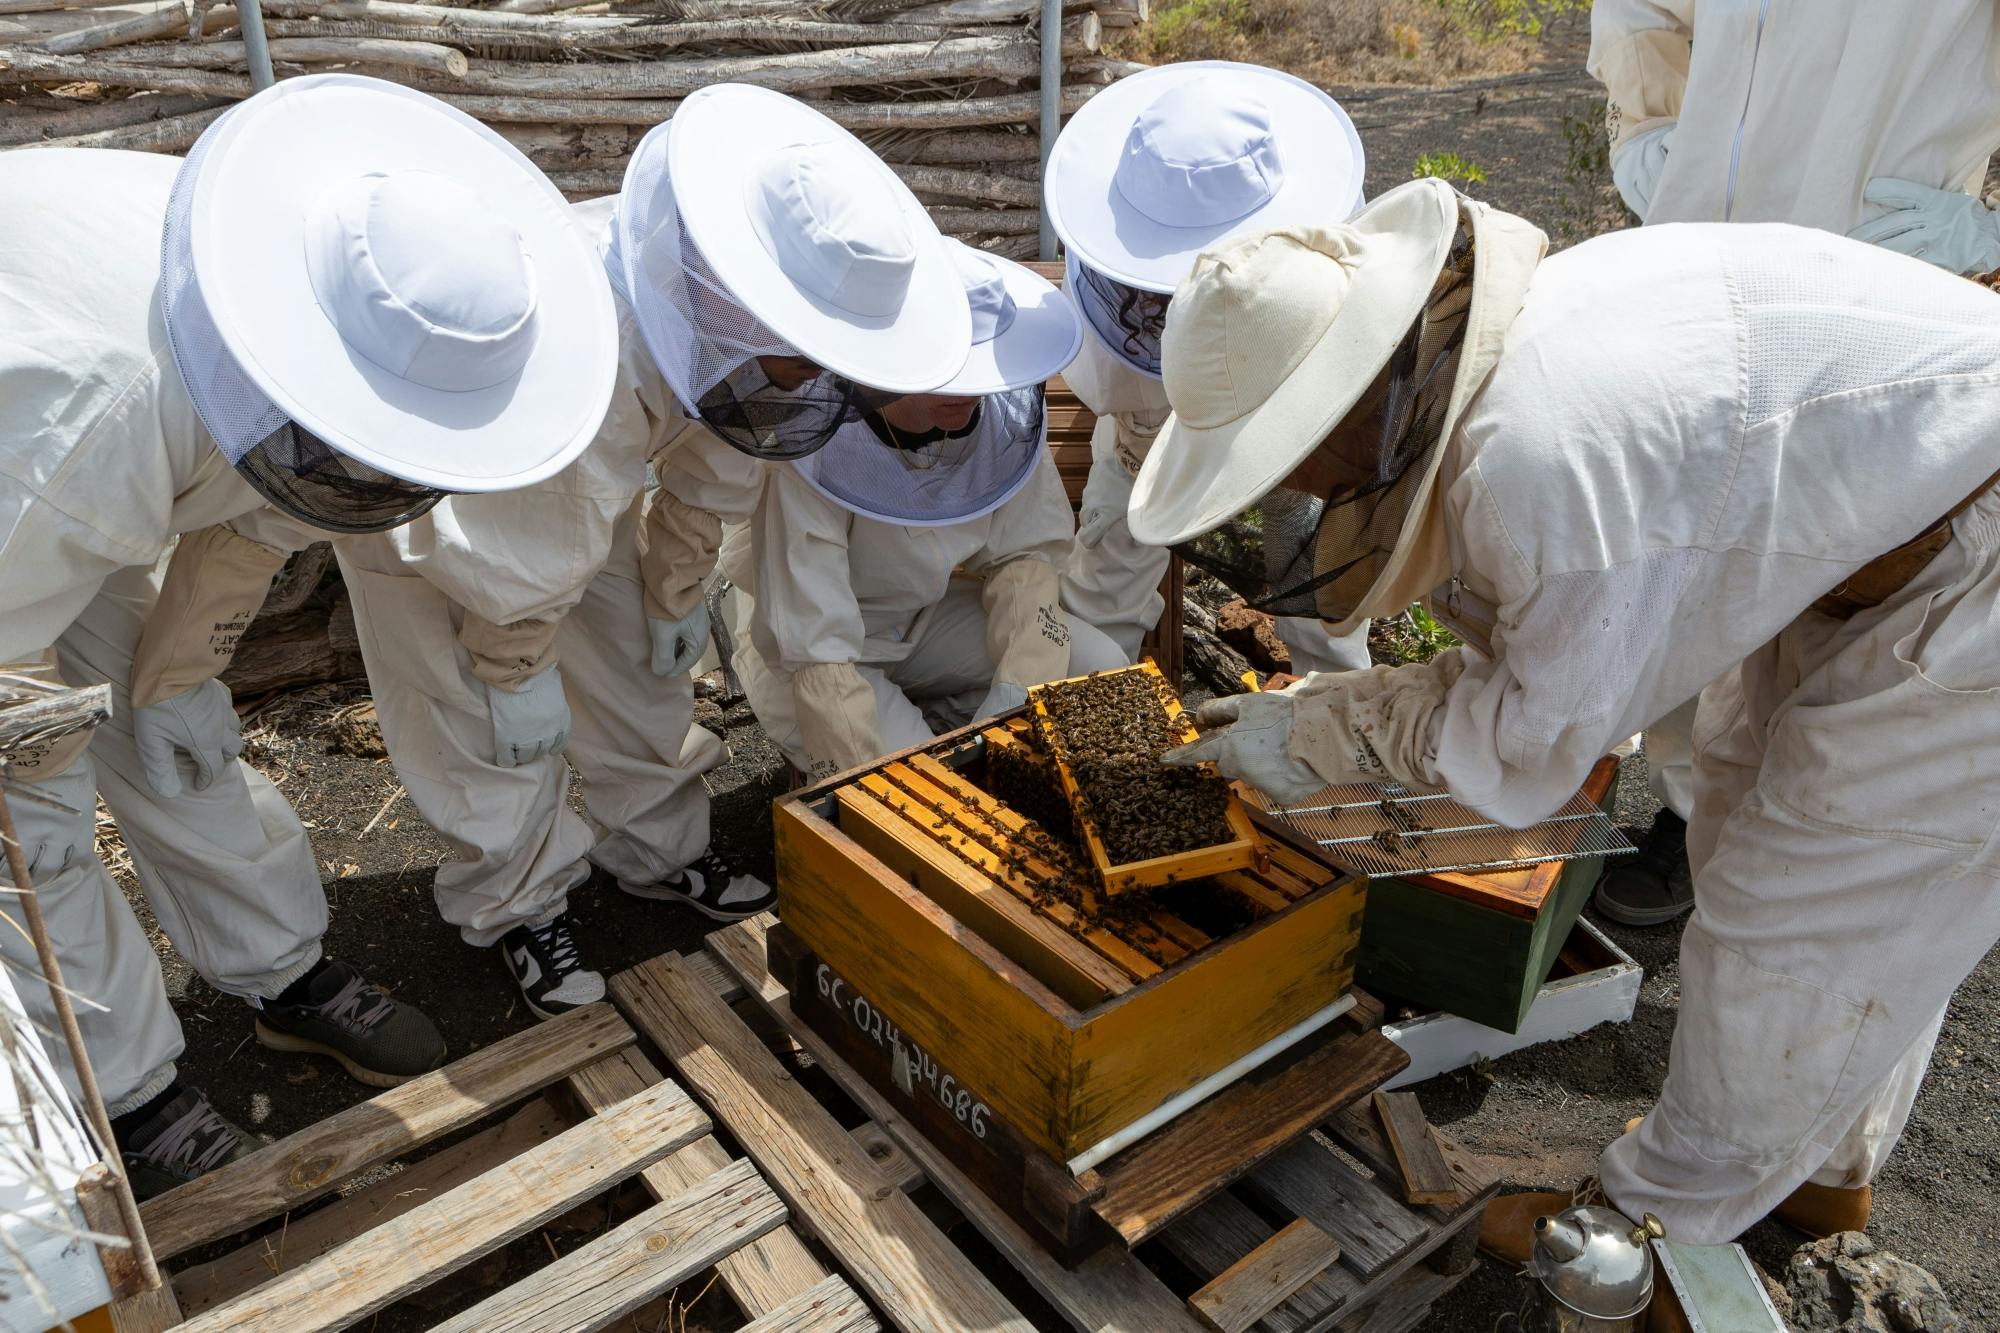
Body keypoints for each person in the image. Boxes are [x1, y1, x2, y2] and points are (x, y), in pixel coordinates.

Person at [1134, 176, 2000, 1252]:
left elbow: (1527, 742)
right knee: (1748, 814)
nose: (1284, 489)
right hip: (1880, 523)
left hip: (1971, 568)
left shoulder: (1537, 462)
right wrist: (1335, 711)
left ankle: (1650, 1234)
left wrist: (1322, 729)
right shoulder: (1522, 365)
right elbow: (1533, 659)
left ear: (1344, 407)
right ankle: (1812, 1174)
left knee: (1806, 913)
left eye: (1275, 456)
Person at [171, 84, 974, 1019]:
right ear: (744, 306)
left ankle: (657, 850)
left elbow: (723, 444)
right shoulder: (611, 332)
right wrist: (514, 664)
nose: (816, 372)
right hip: (434, 504)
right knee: (472, 715)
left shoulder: (751, 322)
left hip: (576, 498)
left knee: (637, 659)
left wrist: (676, 579)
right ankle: (520, 904)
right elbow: (524, 555)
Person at [0, 75, 617, 1195]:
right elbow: (8, 667)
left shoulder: (306, 324)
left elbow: (250, 514)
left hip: (57, 480)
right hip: (31, 474)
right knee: (27, 841)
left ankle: (283, 979)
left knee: (170, 735)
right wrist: (37, 763)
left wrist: (179, 671)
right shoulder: (105, 412)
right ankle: (129, 1097)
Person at [1586, 0, 2000, 926]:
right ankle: (1690, 815)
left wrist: (1986, 237)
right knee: (1680, 567)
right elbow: (1643, 10)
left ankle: (1809, 870)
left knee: (1843, 615)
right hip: (1704, 281)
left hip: (1886, 307)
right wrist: (1649, 129)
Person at [717, 241, 1124, 779]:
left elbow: (1024, 559)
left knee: (1099, 674)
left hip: (924, 622)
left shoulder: (1001, 424)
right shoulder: (817, 445)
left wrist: (1012, 694)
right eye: (952, 373)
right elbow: (813, 639)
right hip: (806, 648)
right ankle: (915, 735)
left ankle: (939, 719)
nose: (969, 394)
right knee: (917, 788)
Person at [1045, 60, 1375, 672]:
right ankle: (1093, 710)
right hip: (1147, 420)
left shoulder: (1320, 237)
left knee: (1311, 568)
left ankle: (1342, 736)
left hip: (1293, 407)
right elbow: (1111, 384)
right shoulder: (1113, 290)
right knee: (1106, 580)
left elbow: (1350, 332)